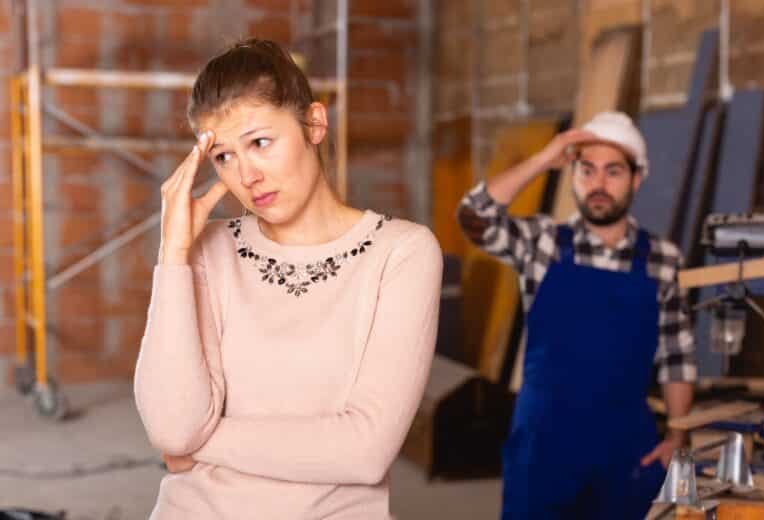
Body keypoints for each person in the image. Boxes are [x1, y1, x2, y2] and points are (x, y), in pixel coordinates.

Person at [134, 39, 442, 519]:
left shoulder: (401, 252)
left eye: (259, 143)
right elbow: (173, 429)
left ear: (314, 124)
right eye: (223, 157)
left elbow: (364, 451)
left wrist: (201, 443)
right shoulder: (208, 248)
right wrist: (172, 254)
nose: (247, 175)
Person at [457, 111, 696, 519]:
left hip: (625, 454)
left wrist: (678, 436)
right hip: (543, 448)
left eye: (613, 172)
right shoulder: (543, 243)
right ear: (573, 175)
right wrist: (541, 160)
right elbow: (473, 217)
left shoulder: (663, 259)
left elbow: (677, 355)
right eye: (587, 170)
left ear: (637, 179)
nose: (598, 184)